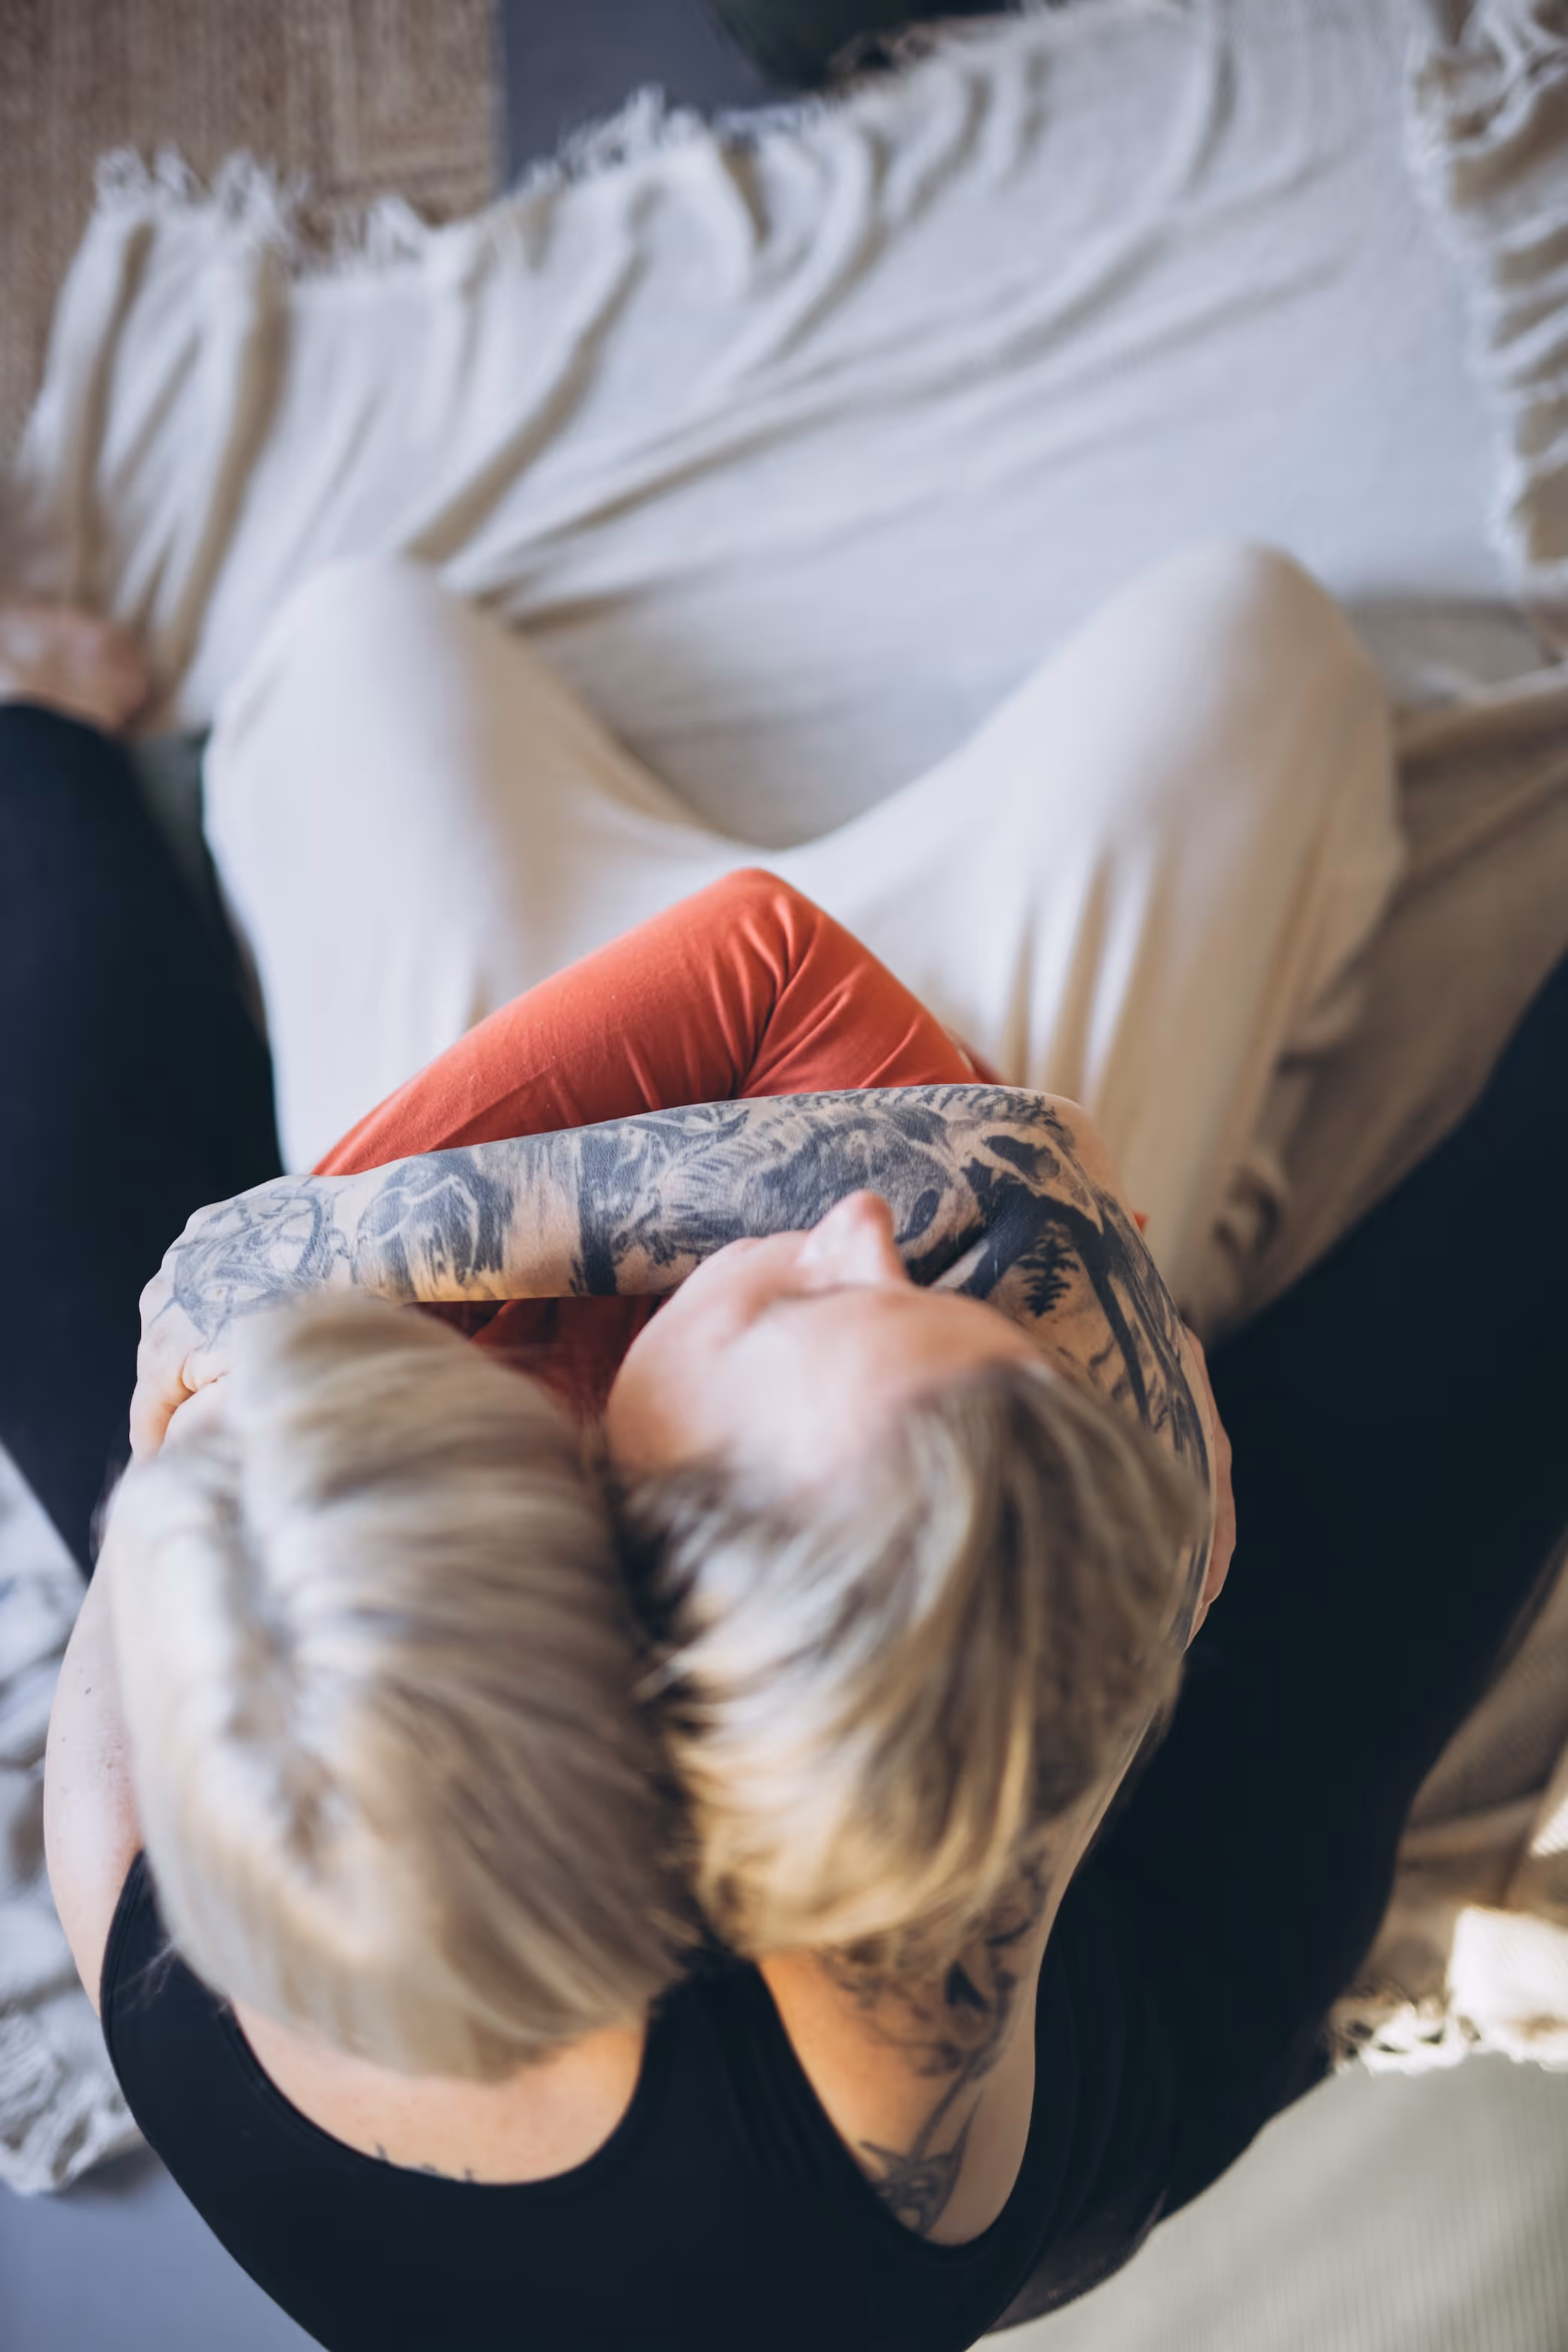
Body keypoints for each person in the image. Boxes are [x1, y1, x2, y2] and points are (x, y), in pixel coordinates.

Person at [29, 551, 1563, 2346]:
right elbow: (997, 1180)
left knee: (53, 1238)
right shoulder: (874, 2027)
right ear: (641, 1575)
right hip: (1171, 1913)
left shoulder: (140, 1815)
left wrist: (270, 1286)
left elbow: (182, 1339)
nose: (845, 1233)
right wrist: (307, 1250)